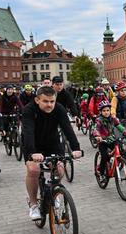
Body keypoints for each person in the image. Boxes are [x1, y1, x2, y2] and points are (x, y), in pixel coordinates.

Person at [21, 86, 82, 220]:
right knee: (33, 170)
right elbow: (28, 132)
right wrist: (32, 153)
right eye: (45, 101)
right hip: (33, 144)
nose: (49, 105)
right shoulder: (29, 110)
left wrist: (76, 148)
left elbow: (67, 129)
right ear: (37, 100)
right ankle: (33, 204)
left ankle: (52, 192)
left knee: (59, 170)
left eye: (52, 101)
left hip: (52, 142)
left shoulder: (59, 109)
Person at [92, 100, 126, 181]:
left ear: (110, 111)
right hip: (103, 141)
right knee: (105, 156)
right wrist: (97, 136)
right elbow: (96, 129)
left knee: (121, 150)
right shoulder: (99, 120)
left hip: (112, 139)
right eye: (104, 111)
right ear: (100, 112)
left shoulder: (113, 119)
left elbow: (120, 126)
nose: (106, 112)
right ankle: (101, 172)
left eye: (107, 110)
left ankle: (118, 162)